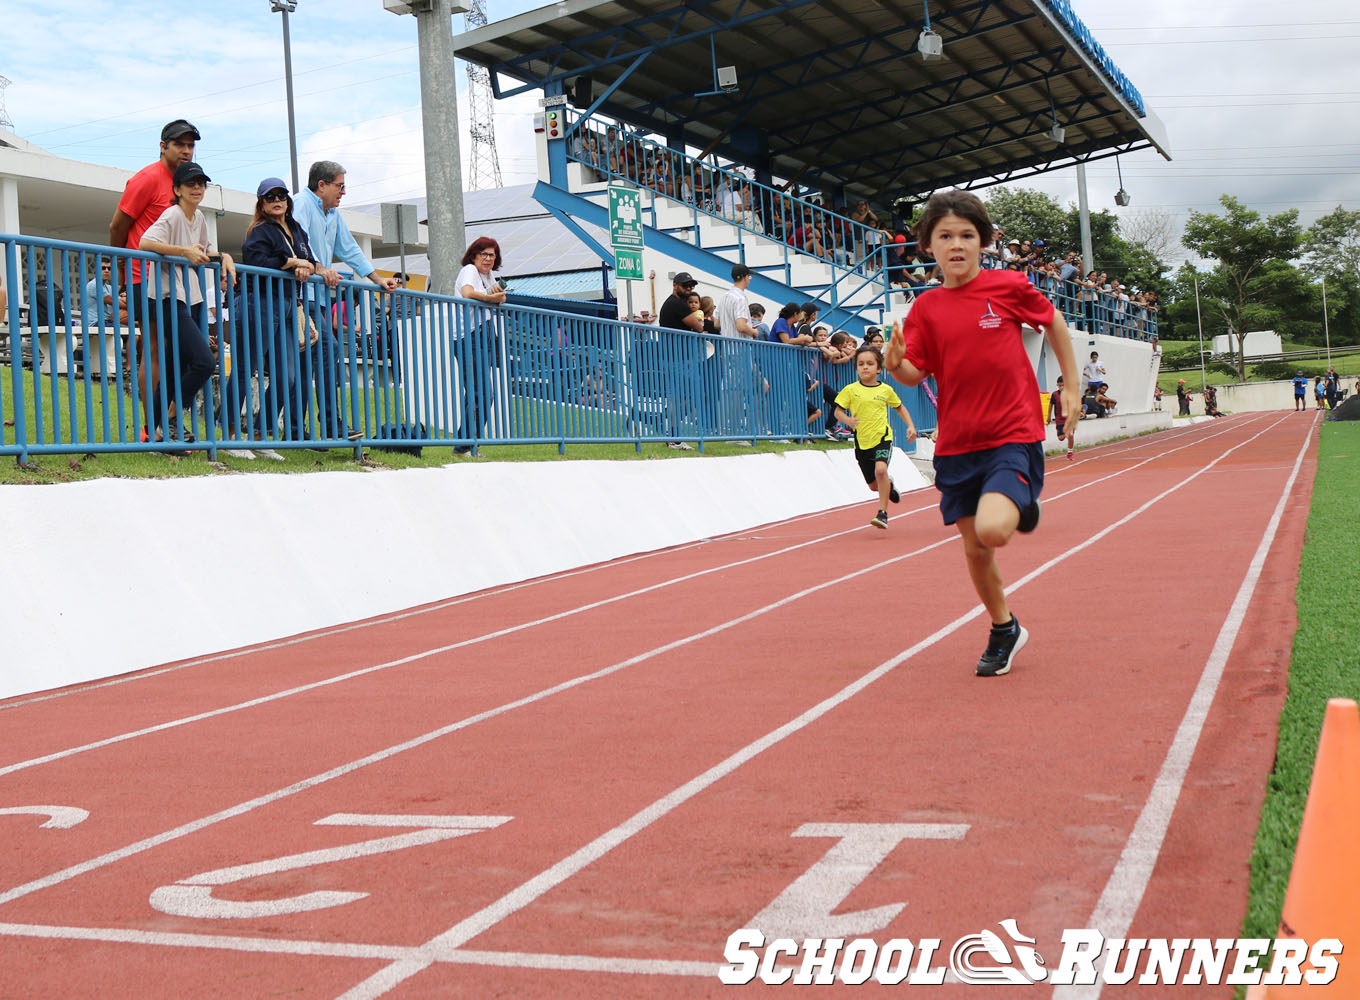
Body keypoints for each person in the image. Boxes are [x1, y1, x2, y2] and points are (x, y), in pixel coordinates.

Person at [885, 189, 1079, 677]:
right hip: (957, 444)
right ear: (928, 245)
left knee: (993, 528)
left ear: (983, 241)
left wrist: (1071, 387)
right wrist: (895, 364)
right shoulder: (926, 308)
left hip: (1011, 432)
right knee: (976, 550)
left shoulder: (1008, 287)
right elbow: (915, 373)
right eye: (944, 236)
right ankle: (1004, 627)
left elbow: (1053, 321)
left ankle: (1021, 501)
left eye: (967, 235)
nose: (956, 244)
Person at [293, 160, 396, 442]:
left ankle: (293, 430)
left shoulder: (333, 214)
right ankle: (328, 423)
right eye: (340, 186)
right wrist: (318, 267)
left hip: (320, 297)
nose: (343, 192)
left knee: (306, 362)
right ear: (322, 185)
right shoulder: (300, 203)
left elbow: (349, 248)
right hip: (303, 295)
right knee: (329, 350)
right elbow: (299, 239)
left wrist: (377, 279)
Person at [137, 161, 236, 443]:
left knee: (175, 364)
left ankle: (152, 431)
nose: (196, 188)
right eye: (190, 184)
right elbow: (145, 242)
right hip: (168, 296)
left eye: (200, 184)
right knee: (204, 361)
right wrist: (182, 251)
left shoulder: (200, 218)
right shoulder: (172, 215)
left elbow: (205, 249)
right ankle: (169, 417)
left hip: (190, 296)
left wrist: (224, 256)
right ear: (177, 189)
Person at [110, 119, 200, 423]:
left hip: (175, 282)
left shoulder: (188, 184)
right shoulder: (147, 179)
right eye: (180, 145)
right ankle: (153, 427)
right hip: (143, 277)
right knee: (155, 349)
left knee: (182, 352)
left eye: (191, 146)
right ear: (163, 147)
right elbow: (117, 226)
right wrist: (123, 268)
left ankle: (166, 420)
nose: (187, 151)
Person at [228, 176, 319, 460]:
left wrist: (307, 266)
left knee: (288, 376)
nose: (277, 200)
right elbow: (254, 262)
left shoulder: (296, 228)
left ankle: (259, 435)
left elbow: (312, 260)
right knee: (246, 368)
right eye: (271, 197)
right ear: (262, 203)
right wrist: (290, 263)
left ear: (288, 201)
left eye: (281, 195)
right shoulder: (260, 231)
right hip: (260, 300)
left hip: (290, 304)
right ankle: (230, 437)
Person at [835, 344, 917, 529]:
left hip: (882, 438)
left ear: (879, 368)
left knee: (880, 470)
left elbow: (899, 407)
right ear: (856, 368)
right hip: (862, 443)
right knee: (873, 486)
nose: (865, 367)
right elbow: (837, 411)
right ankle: (889, 485)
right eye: (861, 364)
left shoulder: (885, 390)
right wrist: (847, 420)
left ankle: (883, 514)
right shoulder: (850, 390)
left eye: (870, 363)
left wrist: (910, 426)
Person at [454, 236, 508, 454]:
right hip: (470, 335)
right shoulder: (469, 270)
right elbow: (468, 293)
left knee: (481, 394)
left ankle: (466, 444)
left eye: (492, 255)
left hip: (482, 334)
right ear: (474, 255)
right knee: (481, 393)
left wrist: (498, 296)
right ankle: (464, 446)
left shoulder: (487, 275)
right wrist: (492, 298)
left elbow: (497, 296)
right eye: (483, 254)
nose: (488, 258)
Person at [1051, 374, 1074, 460]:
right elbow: (1051, 406)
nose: (1061, 387)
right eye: (1059, 385)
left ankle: (1070, 452)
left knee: (1070, 435)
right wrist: (1048, 417)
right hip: (1059, 419)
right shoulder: (1054, 394)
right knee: (1061, 438)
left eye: (1063, 385)